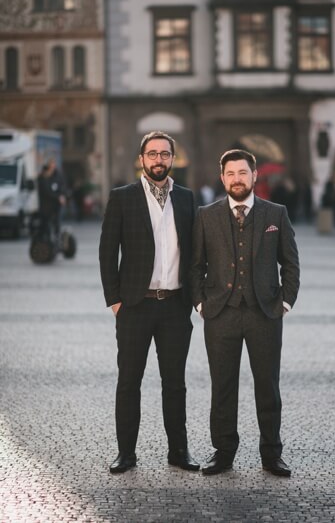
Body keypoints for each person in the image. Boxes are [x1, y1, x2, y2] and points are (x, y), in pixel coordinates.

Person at [190, 149, 300, 477]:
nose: (237, 179)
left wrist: (285, 302)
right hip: (220, 314)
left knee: (267, 385)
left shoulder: (275, 214)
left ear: (254, 176)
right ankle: (223, 452)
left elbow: (290, 262)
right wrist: (200, 303)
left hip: (264, 313)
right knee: (222, 386)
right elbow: (195, 265)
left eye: (243, 173)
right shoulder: (206, 215)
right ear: (222, 177)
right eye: (231, 173)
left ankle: (271, 454)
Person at [98, 131, 199, 474]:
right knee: (129, 382)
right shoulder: (122, 197)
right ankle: (126, 454)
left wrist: (193, 298)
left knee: (175, 383)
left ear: (173, 159)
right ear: (141, 159)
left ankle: (178, 451)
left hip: (174, 305)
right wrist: (115, 300)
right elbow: (107, 251)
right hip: (134, 307)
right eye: (152, 154)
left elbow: (196, 253)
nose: (159, 159)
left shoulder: (186, 198)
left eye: (165, 154)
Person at [36, 158, 67, 238]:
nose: (52, 168)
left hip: (56, 205)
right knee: (45, 224)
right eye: (50, 166)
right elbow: (45, 191)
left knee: (56, 222)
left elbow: (62, 187)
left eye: (53, 165)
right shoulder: (43, 177)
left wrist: (62, 196)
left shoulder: (58, 175)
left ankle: (56, 238)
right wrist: (58, 197)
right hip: (46, 205)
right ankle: (45, 240)